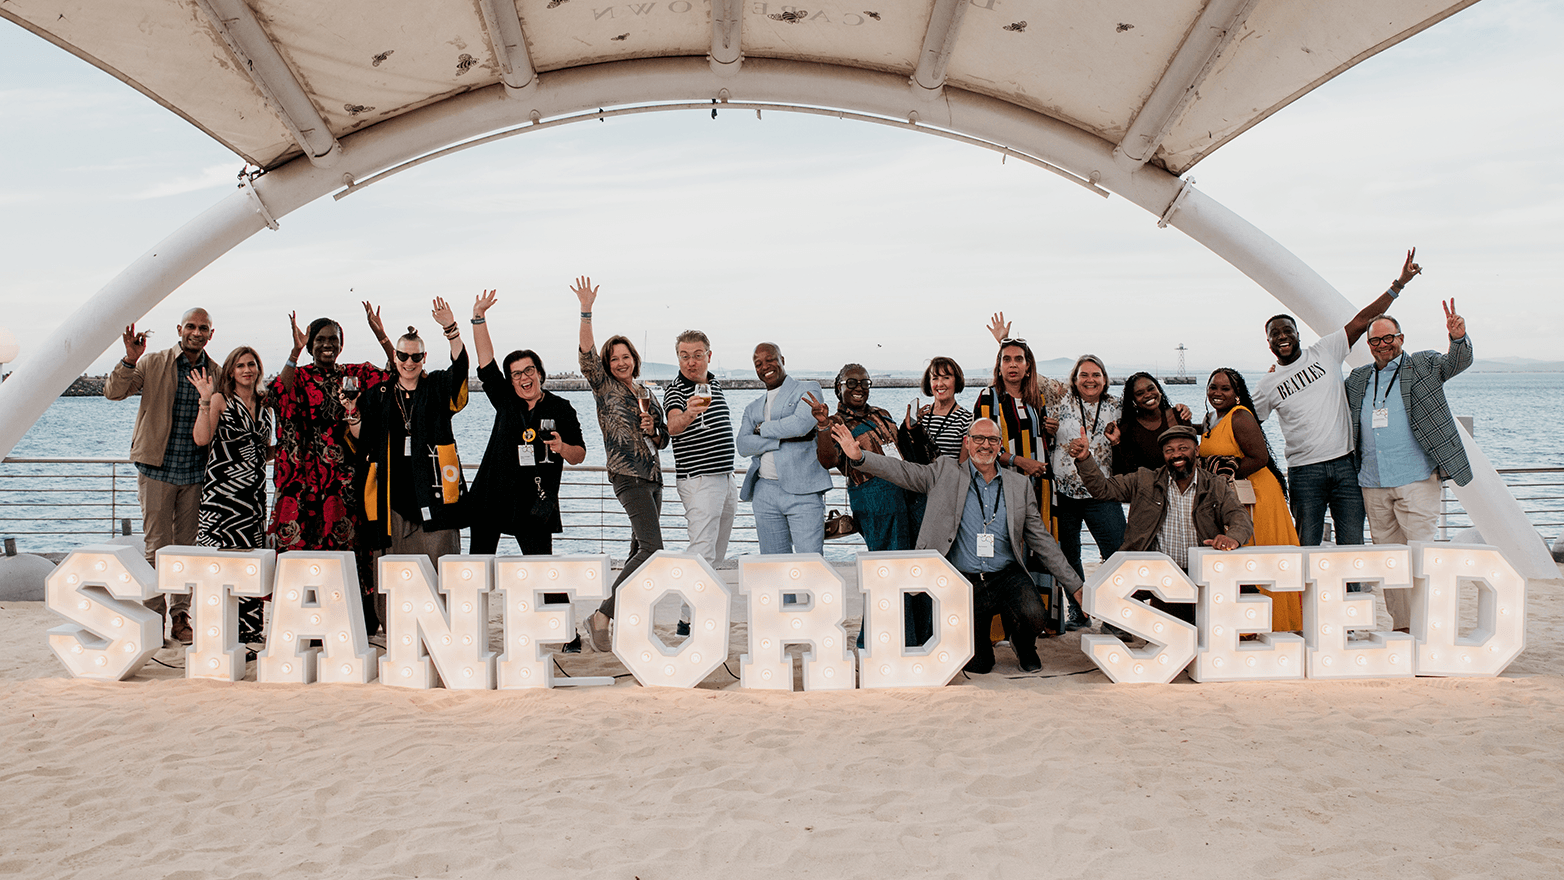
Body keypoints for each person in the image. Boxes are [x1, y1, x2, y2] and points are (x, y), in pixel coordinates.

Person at [829, 418, 1085, 674]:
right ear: (967, 442)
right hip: (964, 582)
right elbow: (902, 470)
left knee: (1034, 614)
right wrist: (860, 457)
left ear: (1000, 446)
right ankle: (981, 645)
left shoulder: (1019, 485)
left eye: (992, 440)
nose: (985, 445)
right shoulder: (944, 472)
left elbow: (1043, 541)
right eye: (978, 439)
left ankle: (1023, 644)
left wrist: (1075, 587)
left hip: (1007, 577)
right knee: (979, 666)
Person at [1254, 249, 1423, 553]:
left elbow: (1362, 320)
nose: (1282, 336)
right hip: (1304, 472)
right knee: (1306, 545)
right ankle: (1306, 587)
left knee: (1352, 545)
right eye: (1274, 334)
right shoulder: (1268, 384)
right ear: (1268, 343)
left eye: (1287, 330)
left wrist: (1398, 285)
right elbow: (1244, 420)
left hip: (1345, 465)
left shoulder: (1325, 351)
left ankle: (1352, 584)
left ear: (1298, 334)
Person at [1345, 300, 1472, 632]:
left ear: (1401, 338)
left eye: (1389, 338)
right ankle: (1402, 626)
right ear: (1369, 345)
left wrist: (1458, 338)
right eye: (1376, 340)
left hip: (1416, 479)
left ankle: (1428, 627)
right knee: (1390, 562)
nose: (1383, 345)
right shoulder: (1358, 379)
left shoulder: (1423, 365)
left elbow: (1456, 362)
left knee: (1422, 558)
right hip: (1373, 482)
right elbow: (1330, 401)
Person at [269, 303, 396, 628]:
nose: (327, 345)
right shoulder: (299, 376)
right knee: (303, 551)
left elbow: (397, 373)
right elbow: (278, 396)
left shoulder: (354, 375)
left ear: (341, 345)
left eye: (333, 340)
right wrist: (294, 352)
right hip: (302, 481)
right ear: (310, 344)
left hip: (344, 481)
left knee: (349, 547)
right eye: (320, 340)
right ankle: (305, 622)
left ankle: (355, 618)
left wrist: (382, 336)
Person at [104, 307, 216, 644]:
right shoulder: (153, 363)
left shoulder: (215, 372)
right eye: (191, 326)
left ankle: (180, 616)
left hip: (195, 472)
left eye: (203, 328)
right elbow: (113, 392)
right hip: (156, 468)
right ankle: (153, 616)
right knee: (156, 547)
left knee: (186, 548)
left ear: (211, 334)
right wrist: (130, 359)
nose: (197, 333)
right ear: (180, 329)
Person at [344, 299, 470, 592]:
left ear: (424, 358)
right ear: (395, 356)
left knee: (441, 573)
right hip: (392, 497)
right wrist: (352, 413)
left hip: (436, 496)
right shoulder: (379, 394)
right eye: (403, 355)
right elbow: (362, 438)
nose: (409, 362)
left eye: (415, 357)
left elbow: (460, 368)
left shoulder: (437, 387)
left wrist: (451, 330)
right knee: (395, 578)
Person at [1070, 425, 1253, 626]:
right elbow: (1103, 489)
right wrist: (1085, 459)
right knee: (1168, 635)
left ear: (1197, 450)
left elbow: (1239, 517)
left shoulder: (1215, 485)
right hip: (1160, 576)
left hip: (1204, 574)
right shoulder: (1144, 480)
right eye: (1169, 450)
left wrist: (1232, 537)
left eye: (1183, 448)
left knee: (1212, 630)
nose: (1176, 455)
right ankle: (1119, 627)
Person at [572, 277, 669, 652]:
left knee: (637, 554)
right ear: (608, 364)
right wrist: (586, 311)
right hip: (627, 476)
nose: (621, 362)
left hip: (654, 478)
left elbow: (663, 438)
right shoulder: (604, 387)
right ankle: (602, 615)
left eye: (625, 357)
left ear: (634, 359)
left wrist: (653, 429)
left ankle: (621, 620)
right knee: (653, 549)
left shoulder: (646, 393)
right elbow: (586, 355)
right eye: (614, 358)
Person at [466, 290, 587, 557]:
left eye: (529, 370)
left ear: (540, 373)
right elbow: (486, 363)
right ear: (511, 381)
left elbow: (579, 455)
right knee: (478, 568)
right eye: (517, 374)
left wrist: (561, 447)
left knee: (541, 570)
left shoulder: (561, 408)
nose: (524, 378)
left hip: (535, 500)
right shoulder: (507, 401)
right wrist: (478, 317)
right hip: (491, 496)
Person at [1200, 367, 1301, 632]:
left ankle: (1273, 623)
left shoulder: (1240, 416)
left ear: (1237, 394)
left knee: (1259, 557)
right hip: (1234, 497)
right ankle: (1247, 623)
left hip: (1256, 496)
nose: (1217, 392)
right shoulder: (1211, 418)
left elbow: (1260, 458)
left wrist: (1223, 477)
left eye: (1225, 388)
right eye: (1213, 387)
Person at [188, 346, 273, 644]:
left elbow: (262, 451)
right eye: (240, 366)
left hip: (253, 497)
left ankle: (249, 631)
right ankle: (216, 630)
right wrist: (204, 399)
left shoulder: (265, 406)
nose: (247, 370)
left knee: (249, 565)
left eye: (251, 364)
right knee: (219, 563)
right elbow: (202, 439)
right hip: (222, 496)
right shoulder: (221, 400)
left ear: (258, 368)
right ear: (231, 371)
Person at [663, 329, 738, 635]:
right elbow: (672, 426)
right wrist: (689, 413)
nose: (690, 362)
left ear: (709, 355)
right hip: (699, 479)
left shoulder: (714, 384)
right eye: (684, 356)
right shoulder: (675, 390)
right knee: (702, 550)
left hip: (725, 477)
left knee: (716, 553)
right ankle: (692, 619)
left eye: (696, 355)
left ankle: (689, 616)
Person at [737, 342, 833, 555]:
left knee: (811, 562)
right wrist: (780, 441)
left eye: (770, 359)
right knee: (774, 566)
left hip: (804, 490)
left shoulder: (808, 389)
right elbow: (743, 445)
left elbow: (800, 426)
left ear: (782, 360)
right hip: (764, 491)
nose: (764, 366)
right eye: (758, 363)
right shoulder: (752, 407)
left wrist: (761, 429)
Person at [1047, 354, 1126, 582]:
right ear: (1074, 379)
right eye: (1084, 375)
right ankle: (1078, 603)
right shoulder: (1059, 402)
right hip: (1064, 493)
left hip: (1103, 493)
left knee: (1118, 554)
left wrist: (1178, 411)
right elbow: (1032, 379)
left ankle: (1115, 601)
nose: (1090, 380)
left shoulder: (1117, 406)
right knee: (1068, 556)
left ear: (1104, 379)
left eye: (1095, 375)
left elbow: (1149, 412)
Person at [1113, 372, 1192, 475]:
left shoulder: (1179, 416)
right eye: (1140, 393)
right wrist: (1115, 442)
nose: (1148, 395)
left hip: (1184, 480)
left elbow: (1193, 454)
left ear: (1159, 390)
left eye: (1151, 389)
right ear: (1133, 400)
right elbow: (1125, 469)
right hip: (1149, 483)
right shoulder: (1128, 429)